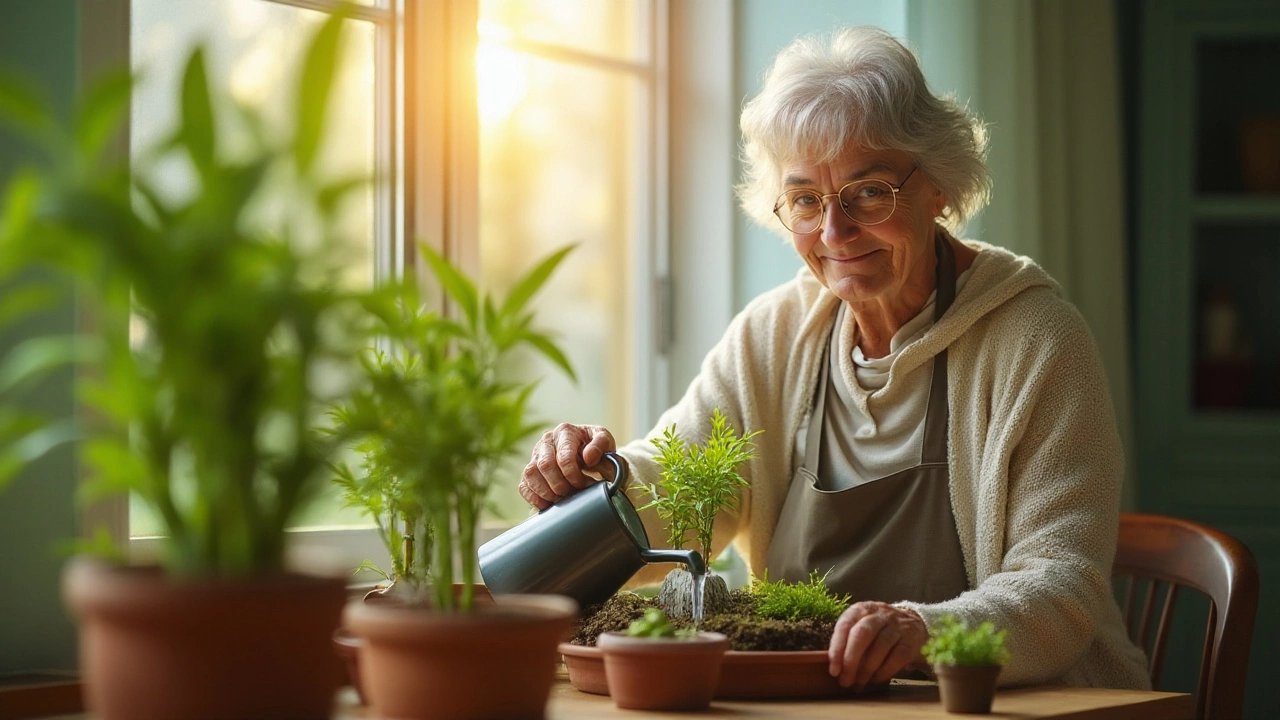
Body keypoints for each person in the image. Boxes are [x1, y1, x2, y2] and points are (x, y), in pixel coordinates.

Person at [517, 26, 1150, 691]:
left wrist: (920, 632)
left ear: (938, 185)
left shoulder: (1038, 340)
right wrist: (596, 484)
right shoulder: (775, 334)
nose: (834, 231)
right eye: (806, 200)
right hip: (816, 702)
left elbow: (1061, 582)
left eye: (868, 191)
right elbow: (682, 484)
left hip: (1018, 703)